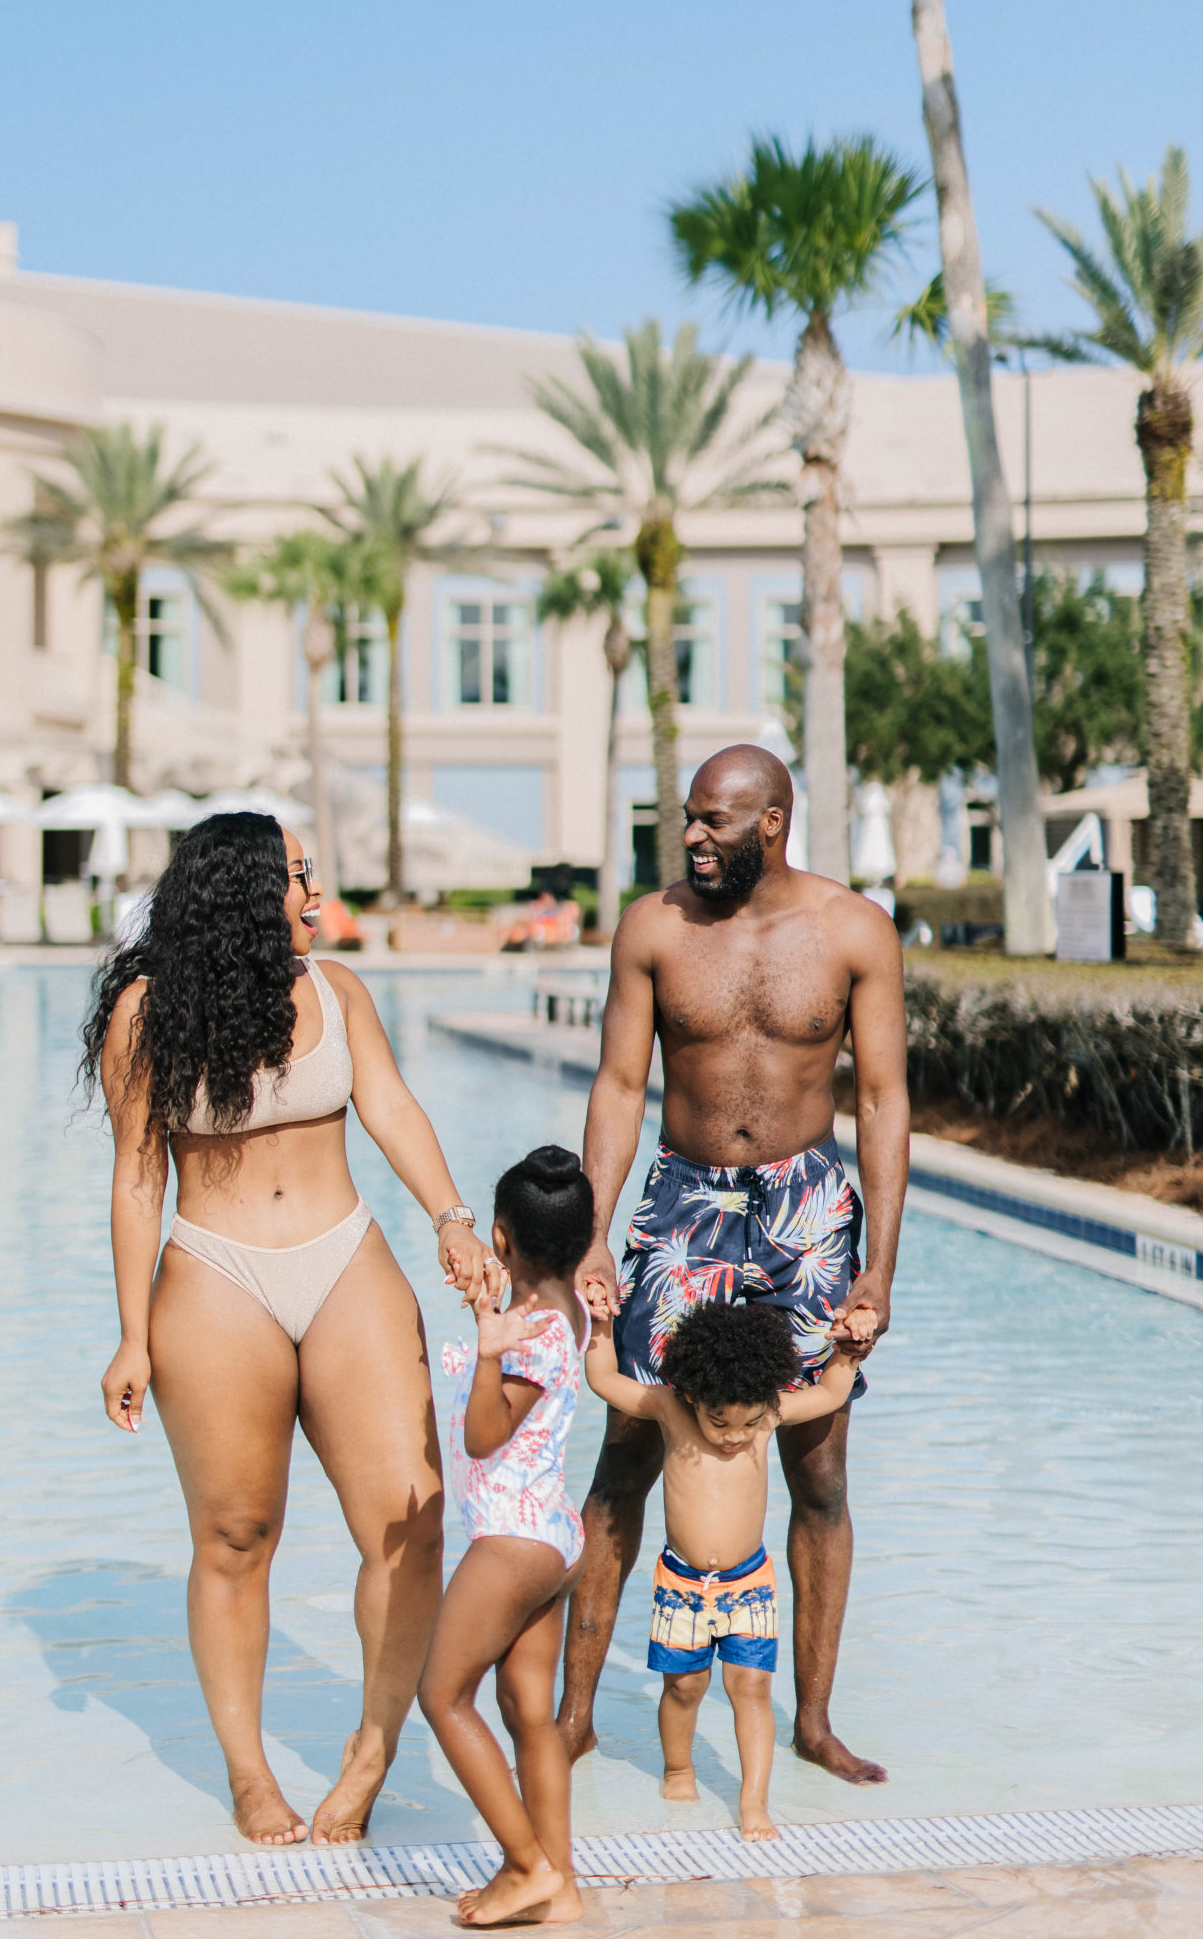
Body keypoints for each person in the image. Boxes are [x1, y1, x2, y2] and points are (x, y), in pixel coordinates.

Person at [86, 812, 492, 1847]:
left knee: (412, 1517)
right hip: (215, 1277)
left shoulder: (337, 993)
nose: (315, 896)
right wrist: (132, 1334)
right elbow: (138, 1178)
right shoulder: (147, 1013)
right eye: (300, 877)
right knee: (233, 1538)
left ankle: (369, 1752)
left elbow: (392, 1109)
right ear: (241, 892)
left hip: (345, 1259)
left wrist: (452, 1220)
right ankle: (249, 1771)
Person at [559, 743, 909, 1785]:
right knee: (629, 1448)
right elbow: (622, 1085)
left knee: (821, 1469)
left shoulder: (854, 931)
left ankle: (810, 1721)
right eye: (689, 819)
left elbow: (886, 1102)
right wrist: (593, 1232)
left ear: (772, 822)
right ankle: (575, 1717)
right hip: (685, 1202)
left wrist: (879, 1266)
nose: (693, 837)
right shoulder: (655, 928)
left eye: (715, 821)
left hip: (808, 1208)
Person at [584, 1294, 875, 1837]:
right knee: (684, 1690)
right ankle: (678, 1766)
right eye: (718, 1421)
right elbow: (603, 1379)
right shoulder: (670, 1408)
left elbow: (833, 1392)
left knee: (751, 1690)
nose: (734, 1436)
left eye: (747, 1423)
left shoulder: (768, 1414)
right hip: (681, 1587)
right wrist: (601, 1322)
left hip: (749, 1587)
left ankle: (753, 1801)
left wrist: (848, 1348)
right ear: (693, 1394)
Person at [420, 1147, 593, 1927]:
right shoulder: (567, 1309)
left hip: (513, 1538)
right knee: (528, 1709)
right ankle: (560, 1882)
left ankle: (524, 1866)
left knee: (443, 1695)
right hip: (552, 1533)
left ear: (499, 1236)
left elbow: (487, 1436)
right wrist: (495, 1319)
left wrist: (488, 1354)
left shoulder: (530, 1336)